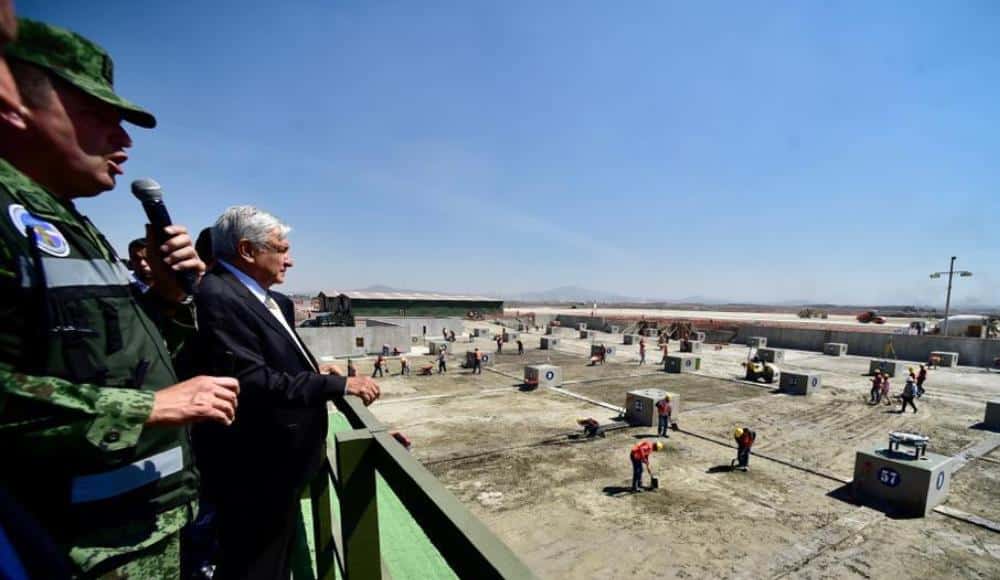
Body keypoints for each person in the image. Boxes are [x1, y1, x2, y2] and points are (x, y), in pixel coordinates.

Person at [0, 19, 241, 578]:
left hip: (137, 525)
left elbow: (108, 353)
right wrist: (149, 408)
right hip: (70, 544)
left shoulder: (63, 219)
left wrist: (167, 295)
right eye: (97, 116)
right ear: (13, 103)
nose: (124, 141)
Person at [189, 206, 380, 579]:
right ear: (246, 250)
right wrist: (337, 384)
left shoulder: (261, 297)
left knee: (273, 558)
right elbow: (252, 380)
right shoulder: (218, 297)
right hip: (255, 467)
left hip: (279, 464)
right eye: (281, 248)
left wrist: (313, 369)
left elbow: (270, 357)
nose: (290, 260)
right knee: (254, 564)